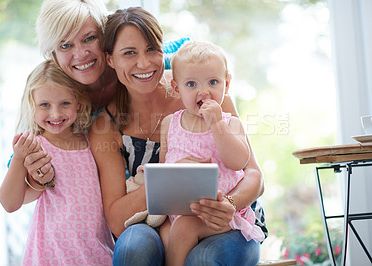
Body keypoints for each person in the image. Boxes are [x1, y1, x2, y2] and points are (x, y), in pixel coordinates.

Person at [89, 7, 267, 265]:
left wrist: (228, 204)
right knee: (133, 247)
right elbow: (117, 222)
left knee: (204, 257)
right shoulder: (108, 125)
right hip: (166, 219)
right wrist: (171, 175)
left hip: (227, 218)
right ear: (110, 59)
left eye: (152, 49)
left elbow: (253, 174)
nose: (144, 63)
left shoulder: (205, 91)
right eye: (129, 53)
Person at [25, 0, 189, 183]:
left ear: (105, 37)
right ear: (53, 53)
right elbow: (26, 148)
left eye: (89, 38)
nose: (80, 54)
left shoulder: (145, 63)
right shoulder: (53, 92)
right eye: (65, 46)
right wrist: (34, 169)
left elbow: (191, 54)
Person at [159, 40, 266, 266]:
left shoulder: (231, 124)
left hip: (224, 215)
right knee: (170, 234)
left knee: (183, 229)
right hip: (182, 212)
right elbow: (163, 173)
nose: (204, 91)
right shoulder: (170, 124)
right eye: (191, 84)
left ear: (226, 86)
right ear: (177, 89)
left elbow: (239, 162)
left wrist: (217, 124)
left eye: (213, 82)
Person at [0, 60, 114, 265]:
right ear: (32, 104)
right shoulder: (35, 147)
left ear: (78, 103)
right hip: (53, 254)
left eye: (65, 104)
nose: (55, 114)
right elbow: (10, 203)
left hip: (94, 251)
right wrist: (18, 159)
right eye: (45, 105)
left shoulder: (91, 141)